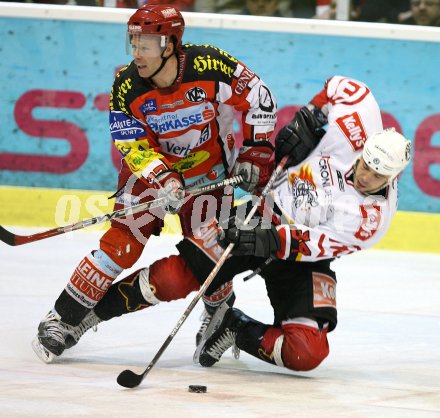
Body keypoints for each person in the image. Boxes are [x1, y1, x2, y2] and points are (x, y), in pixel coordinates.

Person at [32, 4, 277, 363]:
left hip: (209, 173)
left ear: (170, 44)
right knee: (122, 244)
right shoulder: (126, 84)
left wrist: (257, 148)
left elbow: (260, 96)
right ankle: (64, 318)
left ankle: (218, 317)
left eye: (145, 45)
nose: (136, 53)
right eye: (133, 43)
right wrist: (162, 178)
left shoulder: (211, 65)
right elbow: (130, 142)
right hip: (149, 176)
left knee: (210, 252)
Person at [190, 75, 412, 372]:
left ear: (394, 177)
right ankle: (213, 301)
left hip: (302, 253)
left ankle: (233, 327)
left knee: (306, 352)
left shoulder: (372, 220)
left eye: (378, 176)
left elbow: (318, 243)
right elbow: (338, 86)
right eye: (366, 165)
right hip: (274, 208)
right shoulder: (355, 129)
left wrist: (272, 239)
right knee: (193, 259)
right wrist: (310, 116)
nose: (366, 177)